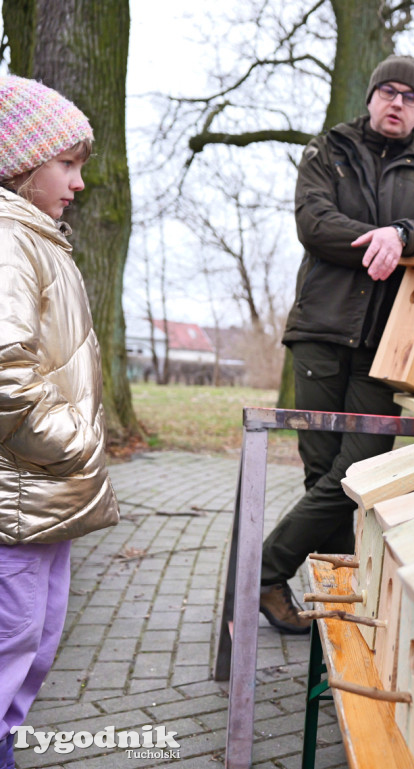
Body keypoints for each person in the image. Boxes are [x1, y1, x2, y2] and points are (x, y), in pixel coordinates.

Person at [259, 55, 414, 633]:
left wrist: (403, 235)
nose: (397, 101)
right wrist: (374, 238)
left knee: (359, 470)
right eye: (388, 91)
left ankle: (265, 571)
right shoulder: (327, 151)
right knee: (321, 469)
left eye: (409, 95)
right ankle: (339, 610)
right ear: (372, 97)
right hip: (322, 332)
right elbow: (313, 221)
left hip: (391, 343)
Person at [0, 75, 120, 767]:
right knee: (11, 635)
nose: (79, 181)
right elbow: (4, 369)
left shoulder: (43, 239)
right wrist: (73, 444)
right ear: (22, 163)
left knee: (37, 638)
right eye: (67, 163)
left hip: (46, 490)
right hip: (19, 490)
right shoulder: (11, 241)